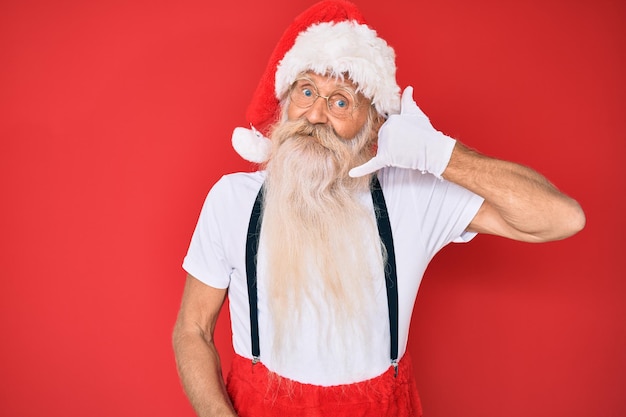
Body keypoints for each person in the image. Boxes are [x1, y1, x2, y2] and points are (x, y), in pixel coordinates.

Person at [172, 1, 585, 416]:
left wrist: (440, 154)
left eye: (340, 102)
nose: (314, 115)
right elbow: (193, 329)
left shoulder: (410, 196)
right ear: (285, 100)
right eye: (307, 90)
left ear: (373, 124)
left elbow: (560, 218)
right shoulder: (233, 200)